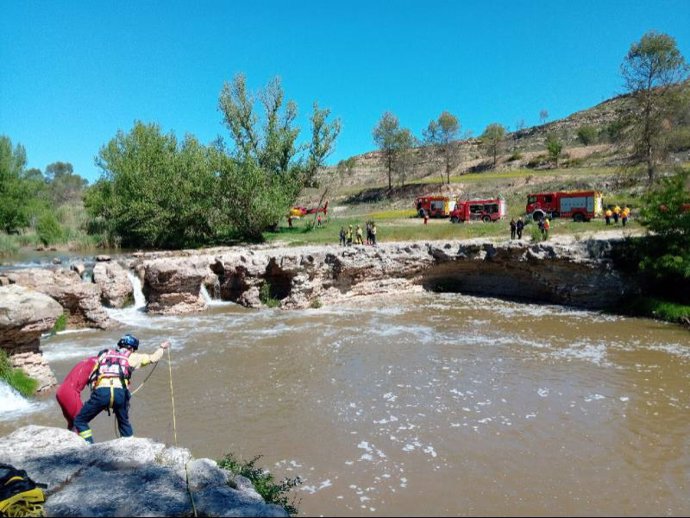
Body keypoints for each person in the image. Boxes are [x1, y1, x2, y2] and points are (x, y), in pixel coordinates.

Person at [73, 334, 170, 444]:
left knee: (80, 420)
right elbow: (153, 358)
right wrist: (162, 348)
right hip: (121, 394)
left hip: (101, 392)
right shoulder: (133, 356)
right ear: (132, 348)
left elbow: (93, 376)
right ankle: (130, 446)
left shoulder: (104, 355)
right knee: (123, 423)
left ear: (120, 345)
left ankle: (89, 445)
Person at [55, 356, 98, 432]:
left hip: (61, 391)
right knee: (81, 423)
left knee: (72, 424)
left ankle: (69, 442)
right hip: (70, 392)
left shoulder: (88, 360)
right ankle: (85, 443)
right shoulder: (99, 364)